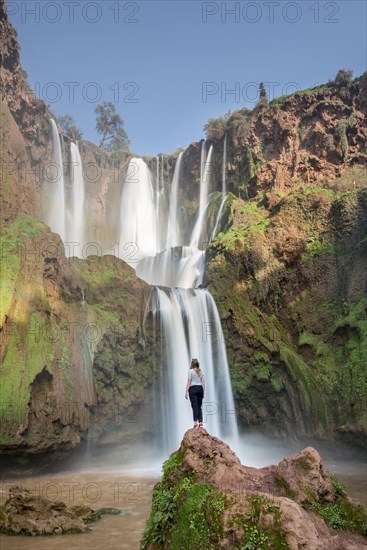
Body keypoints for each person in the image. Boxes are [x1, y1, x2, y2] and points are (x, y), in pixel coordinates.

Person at [185, 358, 205, 429]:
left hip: (193, 389)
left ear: (192, 364)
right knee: (199, 406)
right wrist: (203, 393)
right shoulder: (201, 372)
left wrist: (186, 392)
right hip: (200, 389)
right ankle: (201, 423)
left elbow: (189, 382)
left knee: (194, 406)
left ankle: (195, 423)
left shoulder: (190, 371)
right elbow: (203, 383)